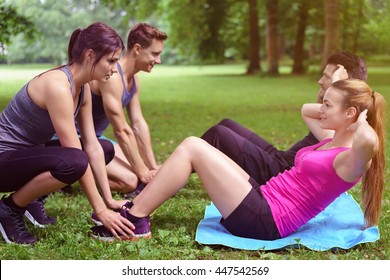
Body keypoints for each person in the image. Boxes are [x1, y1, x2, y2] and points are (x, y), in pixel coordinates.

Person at [91, 73, 385, 241]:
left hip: (265, 220)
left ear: (350, 115)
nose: (321, 108)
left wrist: (361, 119)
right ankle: (140, 207)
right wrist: (336, 92)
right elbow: (308, 110)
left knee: (193, 146)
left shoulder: (350, 160)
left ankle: (136, 218)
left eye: (329, 105)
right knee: (208, 143)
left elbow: (369, 141)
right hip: (263, 197)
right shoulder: (331, 138)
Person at [0, 22, 135, 245]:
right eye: (111, 60)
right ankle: (9, 209)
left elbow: (91, 143)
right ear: (90, 55)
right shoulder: (57, 85)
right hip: (4, 160)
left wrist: (108, 200)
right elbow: (75, 153)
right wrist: (100, 211)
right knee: (74, 161)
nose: (114, 68)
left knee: (103, 148)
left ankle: (32, 200)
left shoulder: (82, 88)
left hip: (27, 156)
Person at [201, 52, 368, 185]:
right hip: (281, 158)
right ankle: (190, 164)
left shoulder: (342, 121)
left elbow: (312, 109)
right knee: (226, 124)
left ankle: (186, 163)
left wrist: (338, 85)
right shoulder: (332, 110)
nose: (320, 80)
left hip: (280, 172)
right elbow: (319, 103)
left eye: (326, 77)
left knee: (218, 134)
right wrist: (336, 86)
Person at [84, 23, 167, 198]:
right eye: (155, 53)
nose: (158, 60)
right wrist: (143, 173)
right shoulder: (112, 77)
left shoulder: (134, 80)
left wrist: (151, 167)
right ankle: (75, 175)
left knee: (139, 167)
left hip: (98, 139)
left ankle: (90, 171)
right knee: (130, 180)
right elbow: (121, 130)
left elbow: (138, 123)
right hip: (78, 140)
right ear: (137, 49)